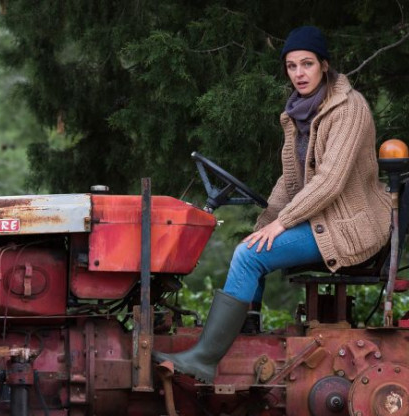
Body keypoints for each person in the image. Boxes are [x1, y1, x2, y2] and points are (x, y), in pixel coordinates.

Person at [153, 25, 392, 383]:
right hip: (319, 219)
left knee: (249, 256)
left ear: (324, 65)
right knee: (251, 247)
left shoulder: (349, 108)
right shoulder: (298, 113)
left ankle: (204, 359)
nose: (299, 73)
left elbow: (330, 181)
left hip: (348, 226)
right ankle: (245, 335)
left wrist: (281, 224)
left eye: (307, 64)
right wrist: (264, 225)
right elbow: (290, 182)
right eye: (292, 66)